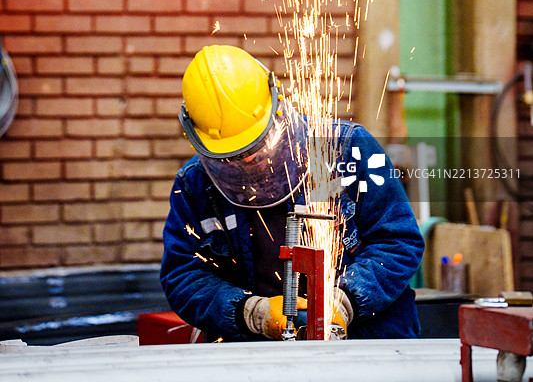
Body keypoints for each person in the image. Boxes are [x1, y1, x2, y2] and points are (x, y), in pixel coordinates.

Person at [160, 44, 424, 342]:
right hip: (255, 353)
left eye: (258, 144)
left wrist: (343, 302)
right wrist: (252, 313)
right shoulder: (195, 186)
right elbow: (183, 275)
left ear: (279, 104)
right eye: (231, 156)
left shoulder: (348, 150)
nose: (248, 159)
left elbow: (398, 241)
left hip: (370, 342)